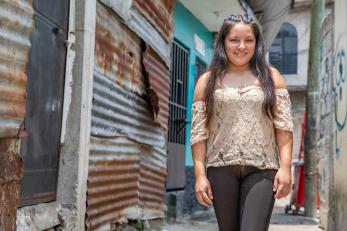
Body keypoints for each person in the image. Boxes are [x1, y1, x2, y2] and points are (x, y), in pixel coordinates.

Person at [190, 14, 294, 231]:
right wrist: (200, 176)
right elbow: (199, 134)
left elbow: (283, 127)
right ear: (223, 42)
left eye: (248, 40)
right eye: (234, 40)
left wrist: (285, 168)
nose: (241, 46)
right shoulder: (206, 81)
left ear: (256, 43)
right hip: (221, 169)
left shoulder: (272, 77)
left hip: (263, 169)